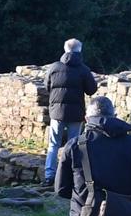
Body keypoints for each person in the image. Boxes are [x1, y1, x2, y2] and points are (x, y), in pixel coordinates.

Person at [40, 37, 97, 185]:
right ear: (80, 51)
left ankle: (49, 175)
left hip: (56, 112)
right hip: (76, 113)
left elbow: (47, 87)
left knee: (53, 144)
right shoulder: (83, 69)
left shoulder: (54, 67)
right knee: (74, 145)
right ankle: (71, 176)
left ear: (65, 50)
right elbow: (92, 90)